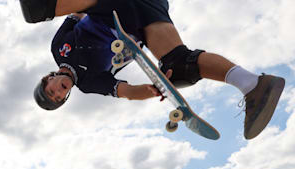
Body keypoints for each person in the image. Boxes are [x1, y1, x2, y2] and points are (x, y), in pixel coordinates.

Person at [23, 0, 285, 140]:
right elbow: (126, 91)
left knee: (37, 8)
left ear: (49, 78)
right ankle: (253, 85)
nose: (59, 91)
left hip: (107, 7)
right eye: (60, 98)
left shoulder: (58, 48)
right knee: (180, 67)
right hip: (145, 14)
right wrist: (153, 89)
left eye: (52, 90)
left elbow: (76, 15)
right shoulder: (89, 83)